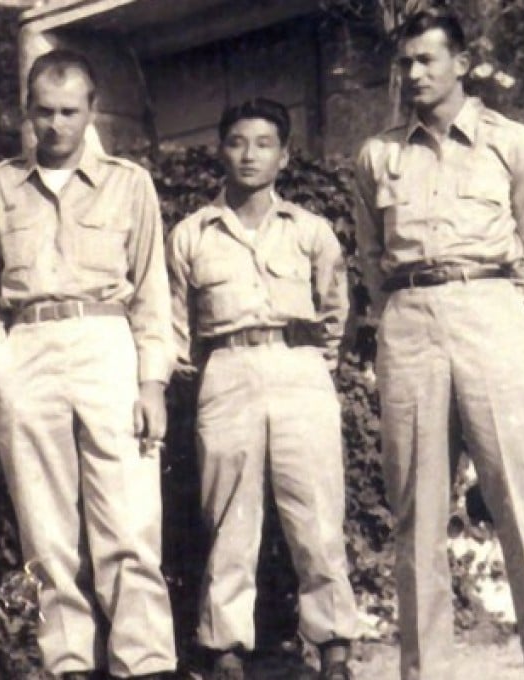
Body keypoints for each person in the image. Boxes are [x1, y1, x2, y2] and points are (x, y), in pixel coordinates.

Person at [353, 9, 524, 680]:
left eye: (426, 60)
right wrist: (403, 316)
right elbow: (368, 256)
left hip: (490, 313)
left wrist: (507, 317)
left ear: (461, 63)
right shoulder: (378, 154)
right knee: (417, 517)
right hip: (410, 321)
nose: (413, 73)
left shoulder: (515, 144)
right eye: (406, 62)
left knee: (520, 505)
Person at [0, 49, 176, 680]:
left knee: (130, 522)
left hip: (107, 346)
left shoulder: (129, 182)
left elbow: (152, 291)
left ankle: (144, 663)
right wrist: (0, 366)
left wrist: (152, 383)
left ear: (91, 111)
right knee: (46, 530)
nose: (55, 125)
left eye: (68, 111)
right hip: (29, 351)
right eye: (43, 112)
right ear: (26, 112)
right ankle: (67, 664)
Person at [168, 98, 358, 680]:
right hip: (226, 370)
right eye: (237, 142)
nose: (250, 155)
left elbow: (335, 312)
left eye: (264, 143)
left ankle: (334, 645)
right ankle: (225, 646)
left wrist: (312, 365)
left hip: (299, 367)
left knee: (317, 511)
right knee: (230, 514)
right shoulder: (192, 234)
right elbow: (176, 329)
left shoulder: (311, 231)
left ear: (284, 155)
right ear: (221, 150)